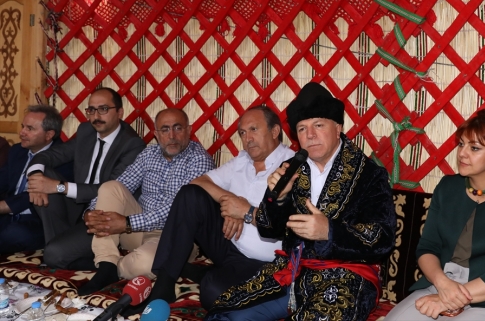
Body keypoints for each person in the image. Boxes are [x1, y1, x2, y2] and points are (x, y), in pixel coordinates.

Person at [206, 82, 396, 321]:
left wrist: (329, 231)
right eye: (303, 128)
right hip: (293, 272)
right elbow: (269, 228)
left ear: (338, 128)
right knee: (225, 311)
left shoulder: (369, 174)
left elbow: (382, 238)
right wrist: (278, 198)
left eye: (319, 125)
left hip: (345, 275)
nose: (311, 135)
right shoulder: (291, 168)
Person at [384, 104, 485, 321]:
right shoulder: (447, 188)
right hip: (440, 285)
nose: (462, 153)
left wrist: (448, 300)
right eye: (461, 144)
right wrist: (442, 284)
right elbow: (427, 248)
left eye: (474, 148)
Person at [135, 106, 293, 311]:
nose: (248, 139)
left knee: (213, 293)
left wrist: (245, 211)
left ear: (275, 131)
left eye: (254, 129)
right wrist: (231, 200)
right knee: (190, 195)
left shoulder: (291, 167)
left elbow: (285, 225)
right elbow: (199, 182)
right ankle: (164, 284)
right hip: (228, 244)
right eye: (242, 133)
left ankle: (206, 274)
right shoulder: (242, 160)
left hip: (262, 262)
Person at [78, 108, 214, 296]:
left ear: (189, 130)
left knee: (143, 264)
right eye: (165, 129)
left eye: (178, 128)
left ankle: (111, 267)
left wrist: (128, 223)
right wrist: (90, 212)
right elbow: (123, 182)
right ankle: (107, 263)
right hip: (137, 229)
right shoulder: (149, 154)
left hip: (176, 238)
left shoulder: (199, 160)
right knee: (111, 187)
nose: (171, 136)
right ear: (156, 134)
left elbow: (176, 210)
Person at [26, 88, 145, 269]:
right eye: (91, 110)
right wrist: (35, 176)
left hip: (103, 213)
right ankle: (59, 246)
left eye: (103, 109)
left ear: (120, 112)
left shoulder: (132, 144)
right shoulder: (86, 131)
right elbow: (51, 155)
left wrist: (60, 187)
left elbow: (110, 189)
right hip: (77, 207)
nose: (96, 116)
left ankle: (98, 260)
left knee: (53, 254)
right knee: (43, 175)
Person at [0, 105, 73, 253]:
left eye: (30, 128)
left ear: (49, 134)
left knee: (12, 235)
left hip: (40, 220)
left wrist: (4, 206)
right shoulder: (18, 151)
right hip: (9, 216)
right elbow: (2, 181)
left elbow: (36, 195)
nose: (22, 132)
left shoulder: (64, 158)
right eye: (23, 126)